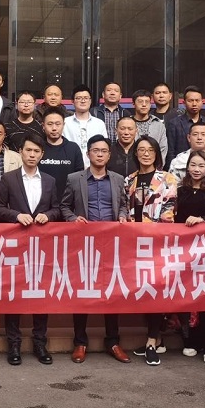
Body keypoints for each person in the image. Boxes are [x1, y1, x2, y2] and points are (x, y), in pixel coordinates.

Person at [61, 134, 129, 365]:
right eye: (95, 150)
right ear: (88, 153)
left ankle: (113, 341)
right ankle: (80, 342)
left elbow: (124, 205)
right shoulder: (74, 179)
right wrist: (73, 219)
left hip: (111, 244)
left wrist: (122, 216)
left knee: (112, 293)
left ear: (109, 155)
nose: (99, 154)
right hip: (84, 245)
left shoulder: (118, 179)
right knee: (83, 292)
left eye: (104, 151)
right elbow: (64, 206)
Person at [0, 132, 61, 366]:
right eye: (28, 150)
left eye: (36, 151)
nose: (32, 155)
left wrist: (48, 215)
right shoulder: (8, 178)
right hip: (15, 245)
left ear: (42, 154)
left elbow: (57, 209)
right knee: (14, 294)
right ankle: (13, 343)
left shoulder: (50, 180)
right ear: (21, 152)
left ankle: (39, 342)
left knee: (40, 294)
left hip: (41, 247)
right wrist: (16, 216)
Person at [125, 135, 177, 366]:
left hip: (158, 243)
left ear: (157, 154)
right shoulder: (129, 179)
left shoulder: (168, 178)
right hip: (135, 244)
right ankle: (156, 338)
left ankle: (151, 341)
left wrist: (151, 228)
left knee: (156, 290)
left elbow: (169, 209)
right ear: (135, 153)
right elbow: (125, 208)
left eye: (150, 150)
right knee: (144, 290)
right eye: (141, 150)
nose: (145, 154)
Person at [174, 150, 205, 364]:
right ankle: (191, 341)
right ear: (187, 167)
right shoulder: (179, 190)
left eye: (201, 166)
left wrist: (202, 220)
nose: (196, 169)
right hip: (183, 251)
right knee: (186, 295)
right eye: (193, 165)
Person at [38, 106, 84, 200]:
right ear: (43, 126)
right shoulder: (37, 148)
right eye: (50, 124)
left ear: (63, 125)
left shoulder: (73, 148)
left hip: (68, 202)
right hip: (42, 201)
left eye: (58, 124)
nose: (54, 128)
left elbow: (79, 178)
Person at [166, 85, 205, 163]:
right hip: (181, 164)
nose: (194, 104)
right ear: (184, 103)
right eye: (190, 101)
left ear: (202, 102)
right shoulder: (174, 123)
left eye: (197, 100)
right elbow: (170, 151)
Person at [63, 85, 108, 167]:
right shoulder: (65, 123)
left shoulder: (99, 123)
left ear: (90, 101)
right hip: (70, 166)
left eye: (86, 98)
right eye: (79, 98)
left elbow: (104, 147)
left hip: (94, 168)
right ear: (72, 101)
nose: (83, 101)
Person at [130, 89, 168, 162]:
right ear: (133, 104)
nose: (144, 105)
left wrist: (157, 166)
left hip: (154, 166)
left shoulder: (158, 125)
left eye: (147, 102)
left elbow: (163, 149)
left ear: (150, 104)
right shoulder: (126, 124)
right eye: (140, 101)